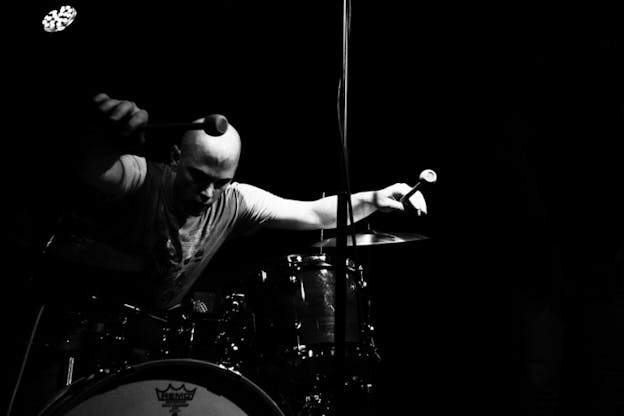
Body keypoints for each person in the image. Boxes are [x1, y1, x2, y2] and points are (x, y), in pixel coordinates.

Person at [11, 92, 428, 415]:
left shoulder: (235, 200)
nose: (208, 193)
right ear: (175, 157)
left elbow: (315, 212)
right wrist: (98, 134)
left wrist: (374, 197)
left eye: (221, 182)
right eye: (198, 178)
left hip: (151, 342)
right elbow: (92, 167)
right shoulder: (143, 179)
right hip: (79, 334)